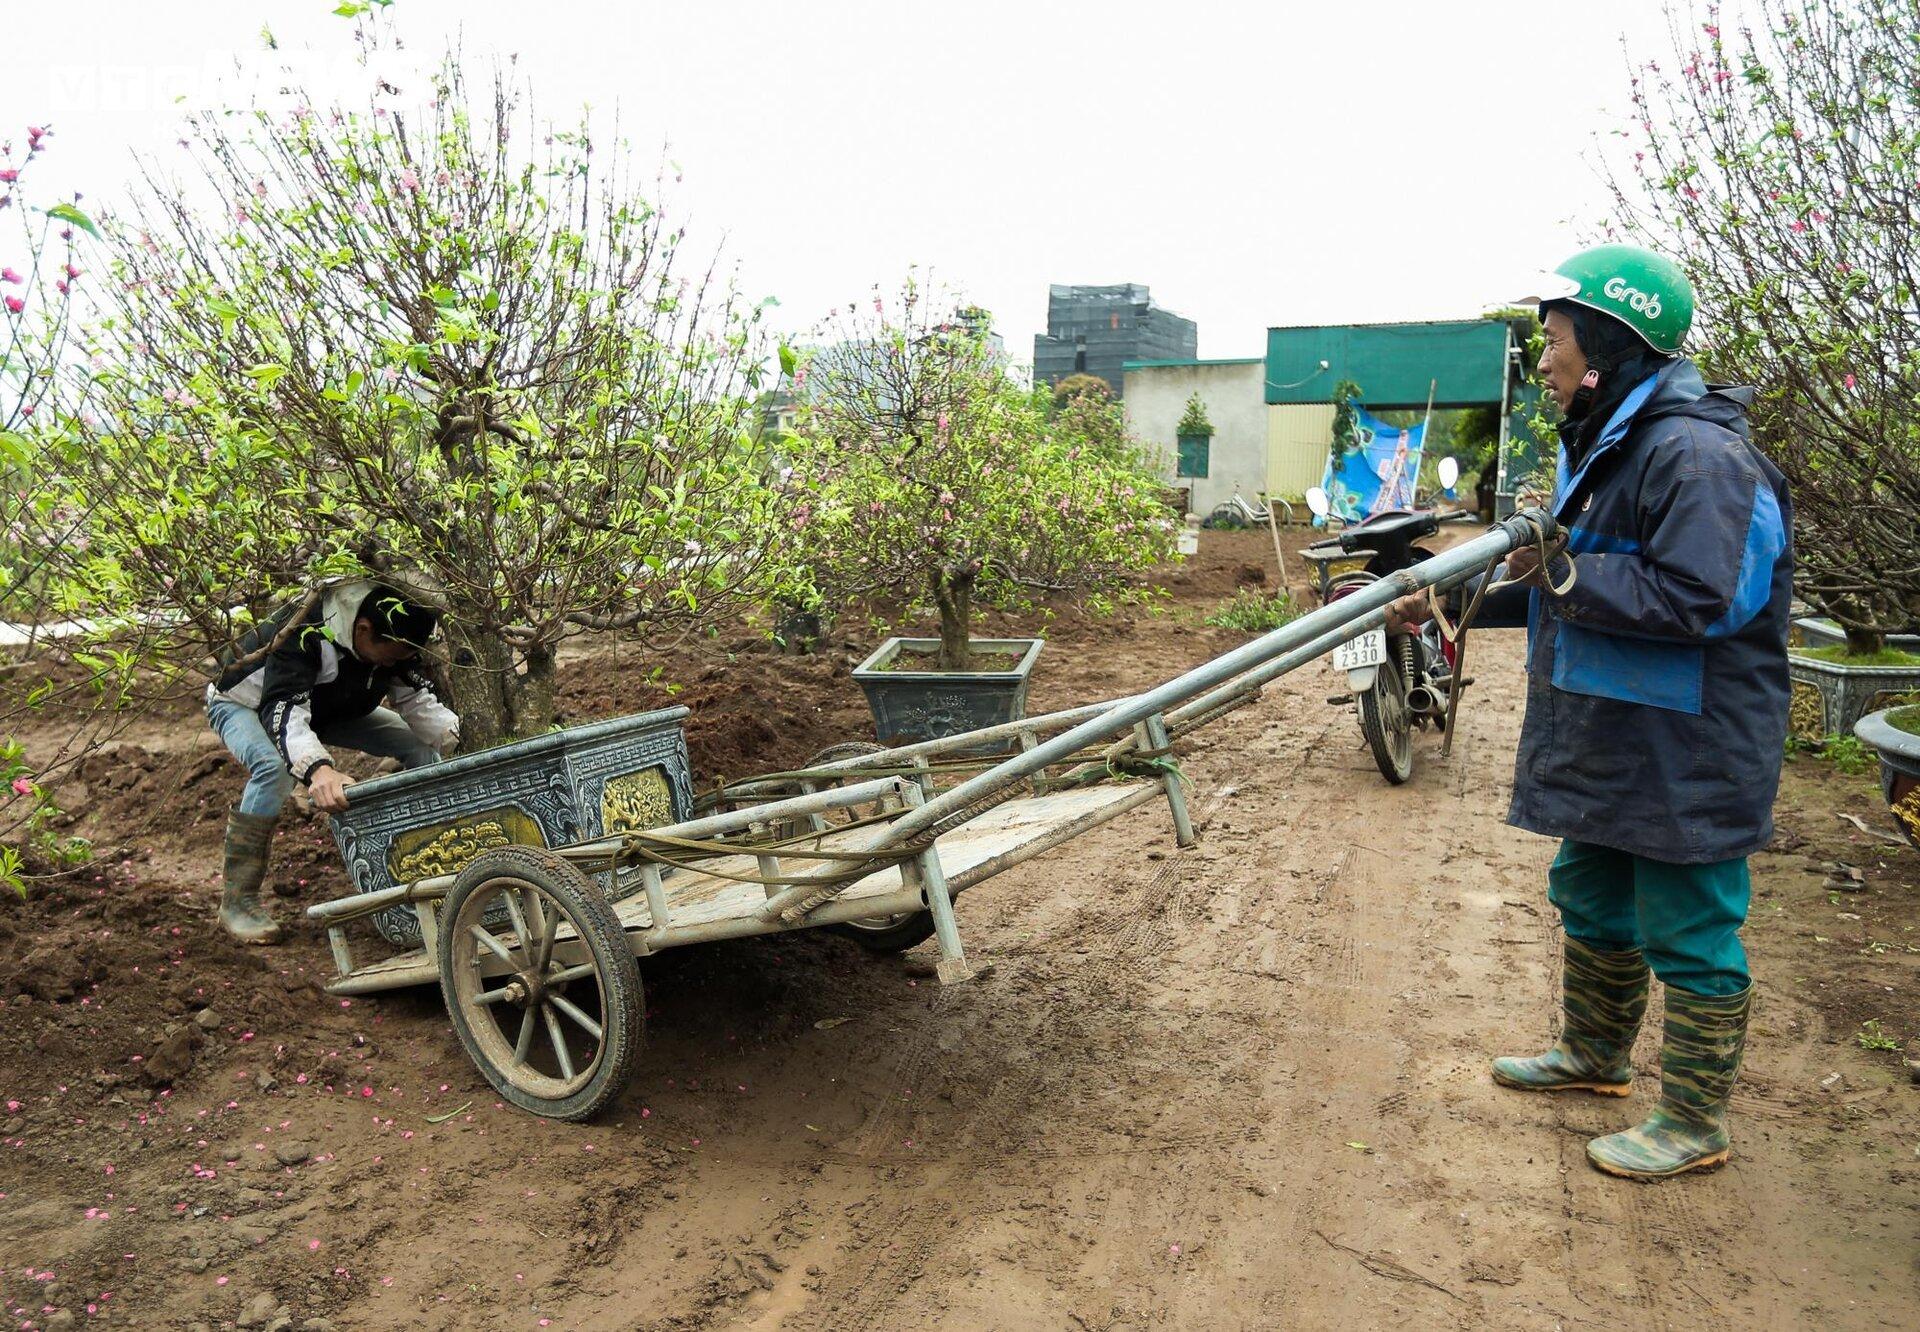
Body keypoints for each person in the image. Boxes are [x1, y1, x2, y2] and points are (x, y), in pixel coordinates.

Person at [1387, 243, 1791, 1180]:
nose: (1545, 360)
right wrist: (1450, 602)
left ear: (1608, 345)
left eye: (1556, 339)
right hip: (1613, 727)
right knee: (1593, 895)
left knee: (1689, 922)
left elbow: (1708, 595)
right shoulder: (1612, 440)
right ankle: (1597, 1055)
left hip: (1686, 739)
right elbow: (1562, 584)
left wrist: (1561, 569)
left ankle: (1695, 1120)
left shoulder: (1697, 454)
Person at [205, 581, 460, 944]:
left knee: (419, 745)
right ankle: (238, 902)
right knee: (273, 767)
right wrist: (317, 769)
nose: (391, 664)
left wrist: (460, 743)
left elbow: (417, 703)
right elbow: (284, 711)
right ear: (362, 630)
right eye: (388, 656)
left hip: (329, 710)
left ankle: (438, 857)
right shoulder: (304, 630)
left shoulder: (399, 630)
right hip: (247, 704)